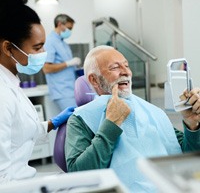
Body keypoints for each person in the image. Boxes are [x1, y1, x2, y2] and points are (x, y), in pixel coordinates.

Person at [65, 45, 200, 192]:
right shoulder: (81, 119)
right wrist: (111, 124)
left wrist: (191, 124)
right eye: (115, 67)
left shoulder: (151, 111)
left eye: (126, 65)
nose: (126, 72)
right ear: (95, 80)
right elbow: (78, 174)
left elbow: (186, 157)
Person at [0, 0, 74, 183]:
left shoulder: (10, 82)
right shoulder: (2, 94)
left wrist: (52, 123)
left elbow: (20, 132)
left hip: (22, 179)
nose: (43, 54)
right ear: (8, 48)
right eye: (37, 47)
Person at [43, 14, 81, 111]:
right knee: (74, 122)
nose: (70, 31)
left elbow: (67, 68)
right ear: (60, 24)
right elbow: (46, 68)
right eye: (69, 28)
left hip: (71, 90)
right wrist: (68, 63)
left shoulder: (63, 43)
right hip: (62, 92)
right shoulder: (50, 41)